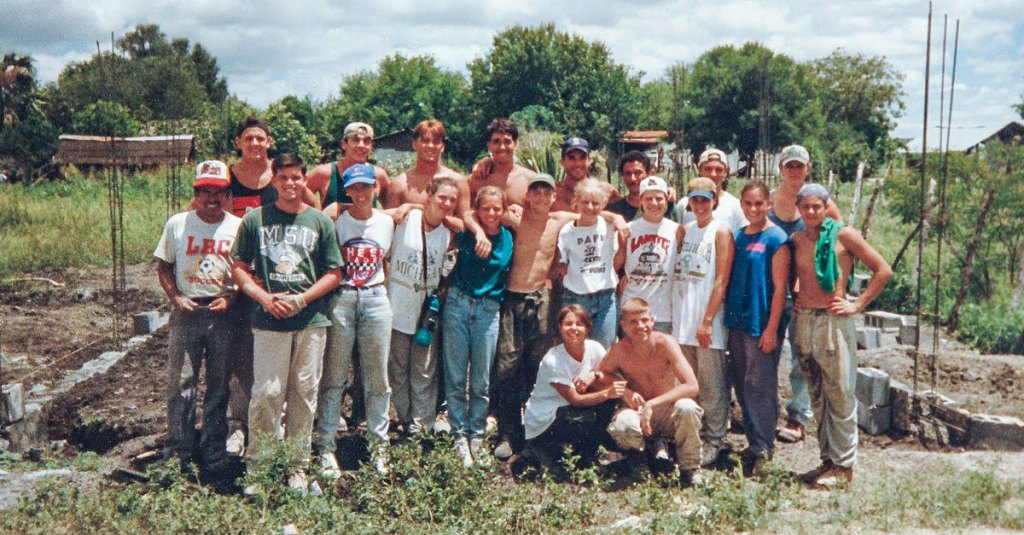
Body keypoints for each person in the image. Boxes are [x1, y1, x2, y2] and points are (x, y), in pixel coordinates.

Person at [231, 153, 342, 492]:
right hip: (269, 319)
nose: (290, 183)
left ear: (304, 180)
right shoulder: (255, 219)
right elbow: (238, 267)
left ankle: (297, 466)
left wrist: (303, 298)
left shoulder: (319, 222)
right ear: (274, 180)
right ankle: (260, 467)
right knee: (267, 393)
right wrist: (263, 297)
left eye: (296, 177)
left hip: (310, 320)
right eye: (283, 177)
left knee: (304, 394)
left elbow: (334, 272)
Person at [790, 184, 892, 486]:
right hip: (805, 321)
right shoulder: (797, 240)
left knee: (840, 393)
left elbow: (883, 270)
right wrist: (798, 296)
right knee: (817, 394)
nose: (811, 212)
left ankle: (845, 467)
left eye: (816, 206)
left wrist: (857, 304)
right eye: (805, 206)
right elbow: (799, 276)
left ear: (826, 207)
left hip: (834, 321)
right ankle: (828, 461)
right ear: (798, 208)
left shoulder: (843, 235)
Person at [154, 160, 243, 475]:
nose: (212, 199)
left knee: (219, 384)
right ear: (196, 193)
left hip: (222, 315)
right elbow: (164, 266)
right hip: (187, 312)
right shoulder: (178, 224)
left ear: (227, 195)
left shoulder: (237, 227)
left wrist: (231, 298)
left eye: (218, 192)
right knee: (182, 383)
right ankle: (178, 449)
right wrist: (175, 297)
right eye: (205, 192)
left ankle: (213, 450)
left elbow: (245, 272)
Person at [314, 163, 395, 478]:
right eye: (354, 187)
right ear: (346, 191)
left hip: (375, 297)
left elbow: (386, 259)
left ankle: (379, 446)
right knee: (334, 376)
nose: (360, 193)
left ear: (375, 188)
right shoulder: (336, 223)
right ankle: (326, 446)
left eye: (366, 186)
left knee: (377, 379)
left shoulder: (386, 222)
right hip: (343, 298)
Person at [492, 173, 580, 460]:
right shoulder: (515, 218)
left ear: (554, 196)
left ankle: (536, 433)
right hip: (512, 298)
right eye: (536, 192)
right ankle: (508, 433)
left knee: (538, 367)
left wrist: (616, 218)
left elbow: (593, 212)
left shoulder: (559, 220)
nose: (541, 197)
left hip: (540, 300)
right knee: (507, 368)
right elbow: (479, 209)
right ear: (527, 196)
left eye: (547, 192)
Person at [579, 298, 704, 486]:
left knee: (687, 407)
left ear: (652, 321)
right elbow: (600, 375)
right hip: (638, 413)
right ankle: (641, 459)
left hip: (666, 411)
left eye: (645, 320)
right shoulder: (619, 350)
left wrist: (652, 404)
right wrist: (625, 391)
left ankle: (690, 468)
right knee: (623, 423)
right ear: (623, 326)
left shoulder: (665, 343)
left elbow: (692, 386)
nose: (640, 326)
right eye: (633, 322)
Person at [769, 144, 843, 444]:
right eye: (789, 165)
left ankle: (798, 417)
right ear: (781, 168)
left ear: (808, 168)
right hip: (772, 291)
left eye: (799, 165)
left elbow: (838, 246)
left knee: (802, 358)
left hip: (805, 295)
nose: (794, 170)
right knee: (767, 354)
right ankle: (765, 414)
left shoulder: (820, 203)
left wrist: (833, 291)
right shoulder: (769, 201)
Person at [443, 186, 514, 467]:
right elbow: (451, 217)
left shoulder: (509, 237)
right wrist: (476, 229)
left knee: (481, 380)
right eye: (486, 208)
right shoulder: (467, 232)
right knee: (456, 375)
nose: (492, 213)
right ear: (477, 209)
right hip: (458, 305)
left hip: (488, 310)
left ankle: (477, 435)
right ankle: (458, 435)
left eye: (497, 208)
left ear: (504, 210)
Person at [724, 181, 791, 477]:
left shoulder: (777, 238)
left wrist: (772, 329)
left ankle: (764, 450)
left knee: (761, 387)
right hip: (738, 321)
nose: (753, 209)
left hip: (761, 322)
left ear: (769, 204)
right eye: (748, 203)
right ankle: (753, 445)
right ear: (741, 204)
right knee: (743, 385)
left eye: (759, 203)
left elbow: (780, 289)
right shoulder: (739, 235)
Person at [386, 176, 459, 436]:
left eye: (452, 200)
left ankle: (422, 425)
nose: (447, 204)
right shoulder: (406, 219)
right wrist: (410, 206)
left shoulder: (448, 233)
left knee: (424, 369)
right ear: (429, 195)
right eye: (442, 197)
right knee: (398, 368)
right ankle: (405, 419)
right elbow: (375, 217)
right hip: (397, 305)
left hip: (426, 312)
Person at [672, 177, 735, 469]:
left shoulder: (720, 232)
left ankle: (715, 439)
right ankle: (692, 439)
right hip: (683, 320)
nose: (700, 206)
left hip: (707, 320)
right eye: (694, 200)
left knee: (712, 385)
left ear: (714, 201)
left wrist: (708, 320)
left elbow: (721, 279)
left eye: (705, 200)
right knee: (689, 384)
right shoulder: (685, 231)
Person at [519, 305, 622, 478]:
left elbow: (608, 374)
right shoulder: (553, 360)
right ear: (560, 328)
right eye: (568, 324)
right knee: (595, 408)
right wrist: (607, 393)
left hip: (569, 410)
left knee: (606, 403)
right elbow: (576, 400)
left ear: (588, 328)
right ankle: (540, 449)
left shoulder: (595, 348)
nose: (574, 328)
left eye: (579, 324)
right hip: (546, 419)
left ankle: (585, 455)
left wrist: (594, 374)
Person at [222, 116, 275, 456]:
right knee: (239, 354)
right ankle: (237, 424)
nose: (255, 143)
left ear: (269, 142)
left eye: (260, 138)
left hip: (274, 280)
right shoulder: (227, 177)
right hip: (235, 279)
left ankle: (271, 423)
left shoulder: (281, 175)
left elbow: (310, 212)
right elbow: (200, 210)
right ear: (239, 143)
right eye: (249, 138)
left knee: (273, 354)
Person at [556, 178, 620, 348]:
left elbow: (618, 257)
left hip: (606, 298)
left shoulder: (610, 227)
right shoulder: (567, 231)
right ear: (576, 201)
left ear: (603, 204)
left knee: (603, 349)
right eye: (585, 202)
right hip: (576, 297)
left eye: (595, 203)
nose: (590, 207)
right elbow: (562, 264)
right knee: (575, 348)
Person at [615, 176, 679, 332]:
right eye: (649, 198)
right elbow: (615, 264)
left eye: (659, 198)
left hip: (663, 312)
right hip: (631, 308)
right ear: (641, 201)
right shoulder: (628, 229)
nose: (654, 203)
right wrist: (620, 278)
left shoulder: (677, 230)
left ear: (667, 200)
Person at [466, 118, 536, 258]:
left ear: (515, 144)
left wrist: (522, 215)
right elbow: (465, 213)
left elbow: (540, 222)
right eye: (496, 141)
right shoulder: (478, 178)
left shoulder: (530, 180)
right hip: (481, 254)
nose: (502, 147)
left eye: (507, 141)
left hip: (519, 256)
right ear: (489, 145)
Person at [305, 121, 391, 210]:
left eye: (366, 141)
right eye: (355, 140)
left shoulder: (378, 175)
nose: (361, 145)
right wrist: (321, 214)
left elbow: (392, 211)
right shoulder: (324, 173)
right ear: (344, 144)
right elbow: (298, 200)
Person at [675, 148, 747, 233]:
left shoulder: (736, 206)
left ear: (726, 172)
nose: (713, 174)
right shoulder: (684, 204)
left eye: (719, 170)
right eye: (707, 169)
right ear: (700, 170)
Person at [551, 137, 618, 212]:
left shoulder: (606, 190)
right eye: (571, 158)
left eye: (582, 158)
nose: (577, 164)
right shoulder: (552, 193)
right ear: (562, 162)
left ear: (589, 161)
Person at [607, 151, 676, 222]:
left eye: (638, 173)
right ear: (623, 177)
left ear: (648, 173)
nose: (633, 178)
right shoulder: (615, 210)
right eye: (628, 173)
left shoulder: (666, 207)